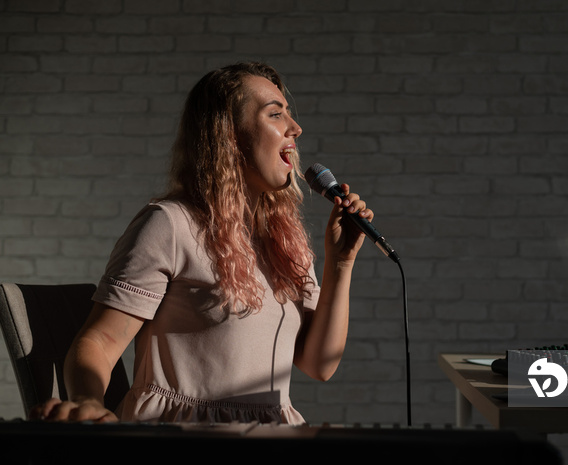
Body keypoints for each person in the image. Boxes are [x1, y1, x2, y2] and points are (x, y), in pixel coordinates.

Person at [31, 62, 373, 425]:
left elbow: (320, 364)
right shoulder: (171, 224)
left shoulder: (285, 240)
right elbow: (98, 342)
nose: (295, 128)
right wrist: (88, 403)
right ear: (229, 134)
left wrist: (340, 263)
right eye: (276, 114)